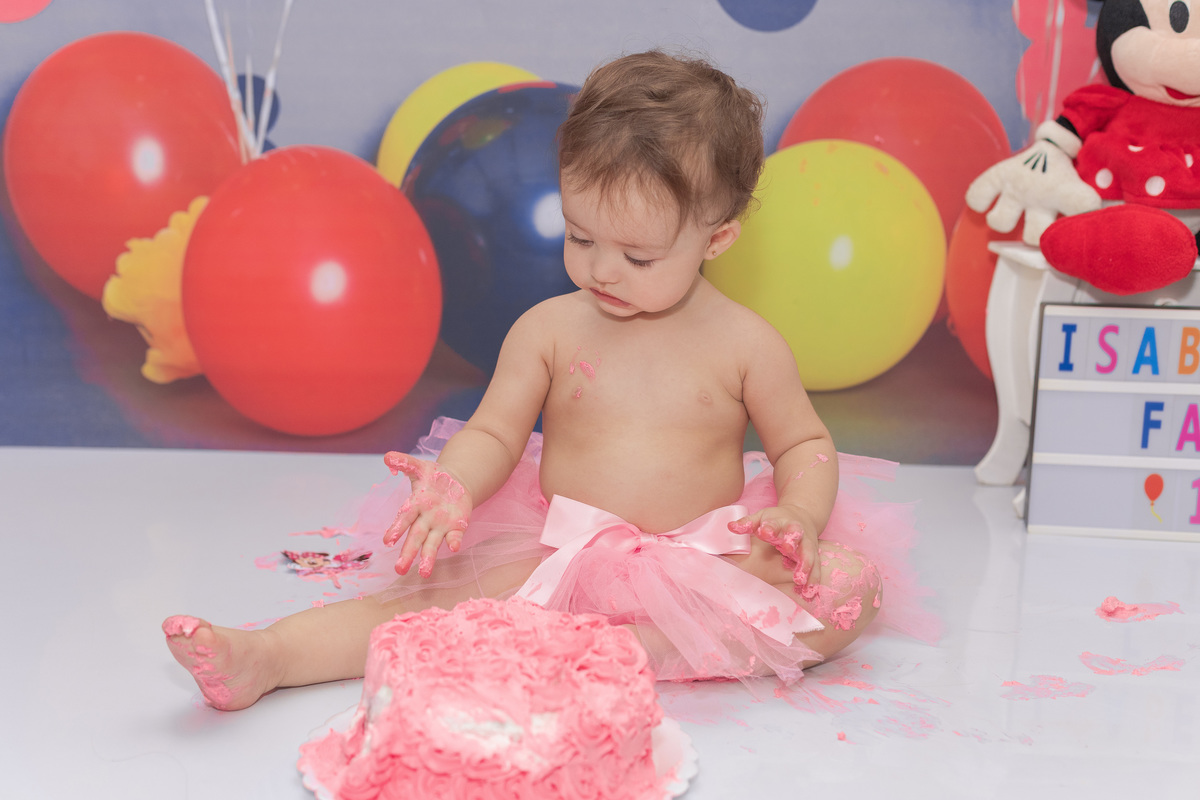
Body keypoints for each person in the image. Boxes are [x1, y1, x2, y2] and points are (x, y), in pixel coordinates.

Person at [164, 50, 934, 711]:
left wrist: (799, 512)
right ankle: (270, 656)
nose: (602, 270)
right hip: (561, 545)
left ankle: (648, 650)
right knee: (421, 600)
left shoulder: (745, 344)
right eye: (579, 236)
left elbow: (802, 443)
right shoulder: (549, 330)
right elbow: (495, 432)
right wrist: (455, 485)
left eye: (637, 256)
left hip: (704, 554)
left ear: (717, 237)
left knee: (850, 587)